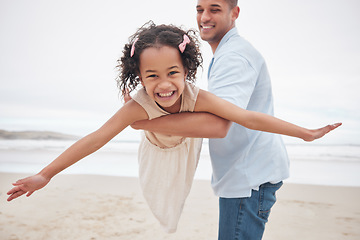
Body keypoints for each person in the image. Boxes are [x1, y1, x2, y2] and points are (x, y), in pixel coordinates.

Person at [7, 22, 340, 234]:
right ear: (139, 77)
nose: (164, 85)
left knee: (180, 189)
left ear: (187, 70)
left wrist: (305, 133)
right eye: (151, 76)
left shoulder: (199, 97)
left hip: (185, 144)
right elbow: (96, 138)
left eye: (172, 73)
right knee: (161, 198)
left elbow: (248, 117)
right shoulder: (136, 106)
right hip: (155, 148)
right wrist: (46, 174)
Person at [122, 0, 342, 239]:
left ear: (235, 12)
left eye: (214, 9)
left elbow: (218, 125)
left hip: (248, 177)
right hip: (247, 175)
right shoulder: (228, 52)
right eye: (199, 9)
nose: (204, 17)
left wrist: (143, 121)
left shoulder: (233, 58)